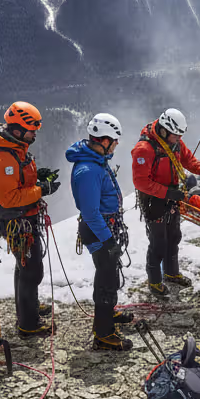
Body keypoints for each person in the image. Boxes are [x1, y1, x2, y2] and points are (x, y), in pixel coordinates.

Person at [0, 101, 61, 338]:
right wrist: (41, 190)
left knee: (25, 266)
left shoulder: (15, 149)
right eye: (31, 130)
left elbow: (19, 183)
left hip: (24, 219)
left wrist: (37, 179)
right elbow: (9, 198)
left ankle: (29, 307)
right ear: (17, 130)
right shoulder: (2, 160)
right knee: (31, 271)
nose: (34, 134)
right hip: (17, 222)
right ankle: (28, 324)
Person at [66, 113, 134, 352]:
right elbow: (91, 212)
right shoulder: (88, 170)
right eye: (114, 140)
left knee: (110, 276)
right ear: (104, 140)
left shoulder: (96, 162)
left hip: (104, 229)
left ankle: (107, 317)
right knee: (106, 279)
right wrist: (108, 242)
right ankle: (103, 334)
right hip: (98, 231)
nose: (116, 145)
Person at [131, 108, 200, 299]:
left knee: (174, 236)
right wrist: (168, 193)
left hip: (172, 195)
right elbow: (141, 182)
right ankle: (154, 281)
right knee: (158, 243)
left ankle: (171, 273)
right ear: (163, 130)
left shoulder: (173, 141)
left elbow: (188, 159)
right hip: (154, 200)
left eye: (179, 136)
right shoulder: (144, 149)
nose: (178, 139)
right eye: (175, 135)